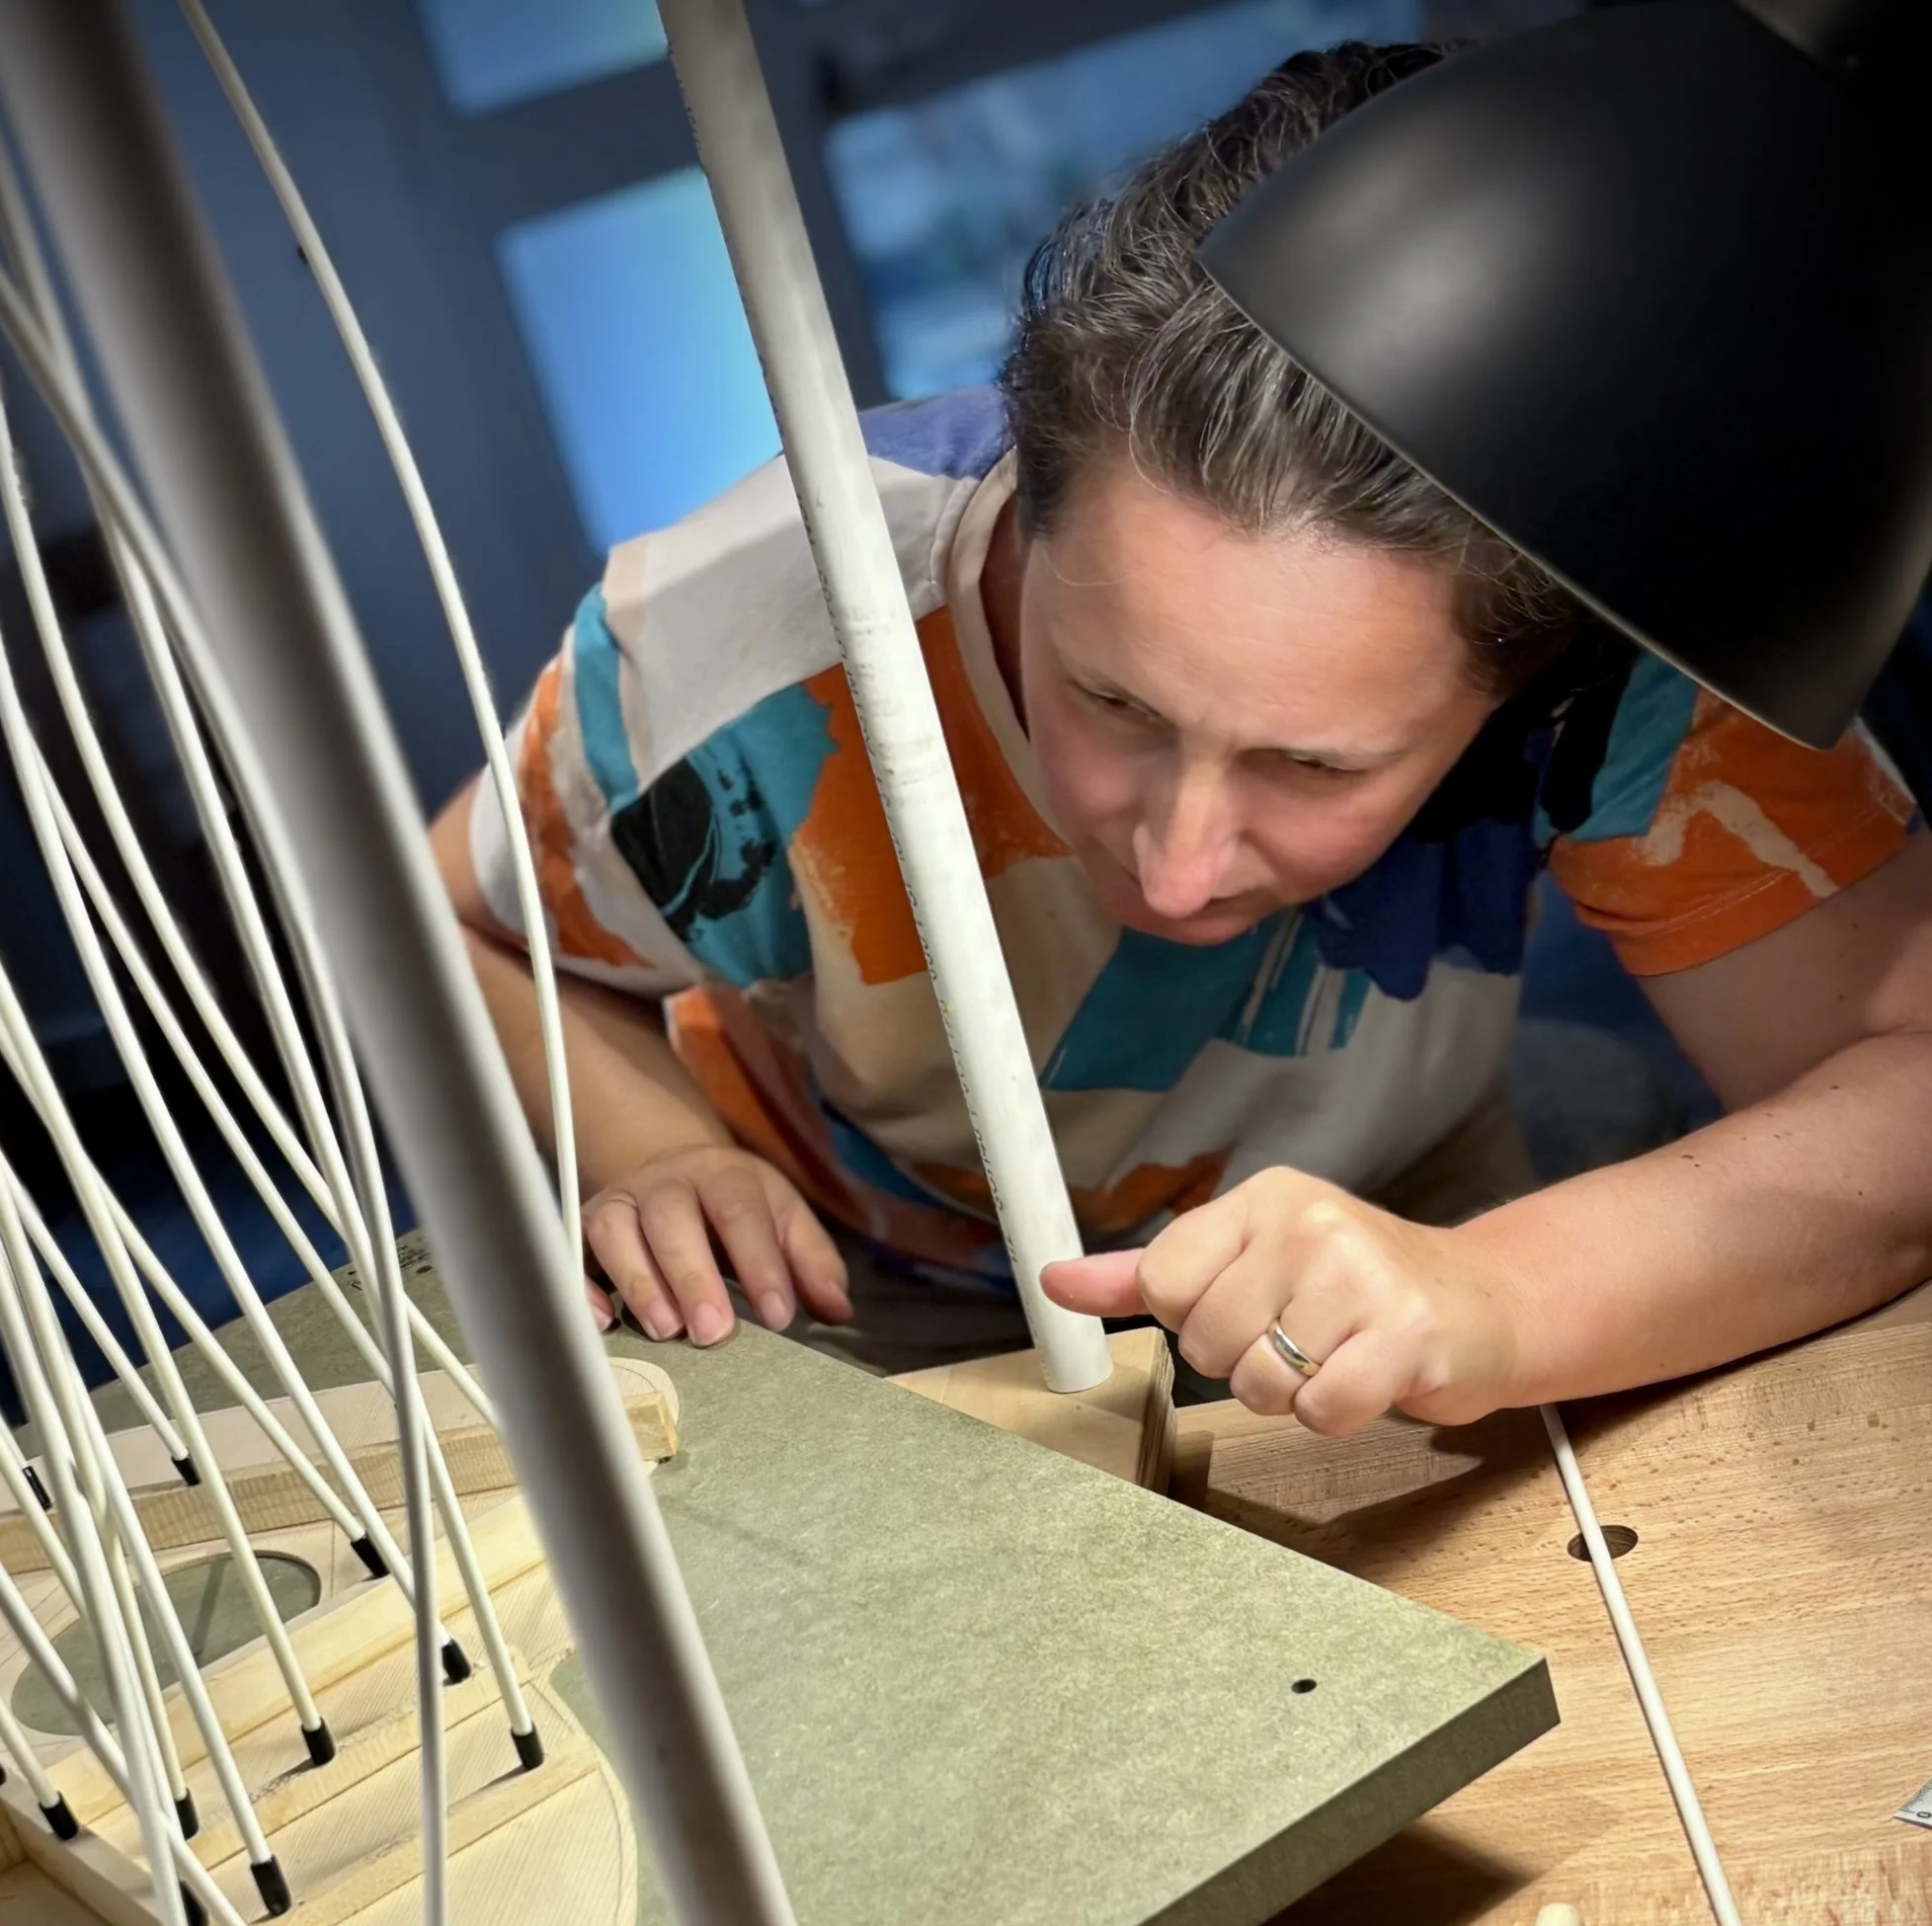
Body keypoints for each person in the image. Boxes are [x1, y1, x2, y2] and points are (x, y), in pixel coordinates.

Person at [430, 40, 1932, 1435]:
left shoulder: (1611, 638)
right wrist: (649, 1145)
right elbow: (453, 918)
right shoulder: (747, 641)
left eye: (1316, 764)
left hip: (1405, 1228)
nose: (1175, 858)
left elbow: (1906, 1092)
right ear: (1026, 498)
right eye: (1113, 702)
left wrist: (1495, 1294)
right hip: (856, 1270)